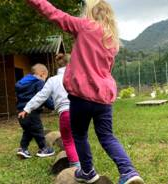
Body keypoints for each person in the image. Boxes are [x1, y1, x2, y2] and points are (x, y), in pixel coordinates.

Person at [26, 0, 144, 183]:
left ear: (89, 12)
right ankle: (128, 171)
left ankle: (88, 171)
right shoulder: (112, 40)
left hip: (81, 96)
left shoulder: (83, 26)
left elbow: (54, 13)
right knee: (107, 136)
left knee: (79, 135)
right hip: (103, 98)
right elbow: (106, 70)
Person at [18, 54, 80, 167]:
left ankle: (75, 166)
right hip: (81, 112)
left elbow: (40, 97)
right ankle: (87, 167)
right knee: (81, 139)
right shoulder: (78, 76)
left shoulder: (52, 80)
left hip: (65, 114)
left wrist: (27, 108)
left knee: (68, 141)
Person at [15, 63, 55, 159]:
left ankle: (23, 149)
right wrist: (53, 105)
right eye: (45, 77)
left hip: (21, 112)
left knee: (28, 132)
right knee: (38, 130)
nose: (45, 79)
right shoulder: (39, 82)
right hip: (32, 112)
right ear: (42, 74)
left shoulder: (22, 83)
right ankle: (44, 148)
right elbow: (43, 97)